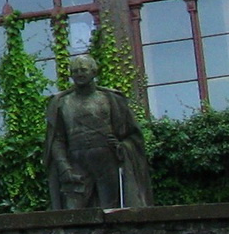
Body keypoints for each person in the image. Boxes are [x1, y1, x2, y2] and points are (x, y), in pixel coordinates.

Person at [44, 55, 154, 215]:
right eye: (75, 71)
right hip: (76, 163)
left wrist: (121, 147)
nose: (79, 74)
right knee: (72, 212)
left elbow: (133, 135)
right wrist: (64, 167)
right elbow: (57, 139)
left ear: (94, 72)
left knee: (111, 211)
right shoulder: (61, 103)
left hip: (106, 161)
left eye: (83, 70)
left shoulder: (111, 99)